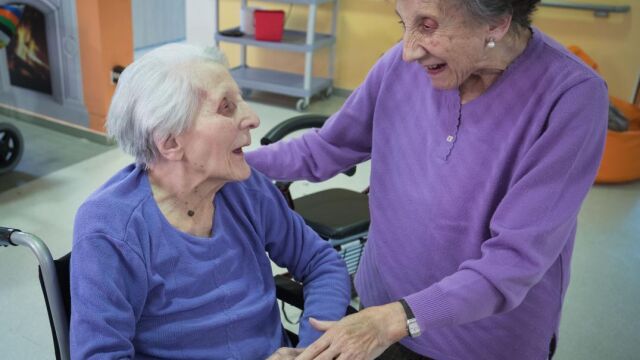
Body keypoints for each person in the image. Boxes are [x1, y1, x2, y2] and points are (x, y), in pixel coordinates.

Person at [245, 0, 608, 359]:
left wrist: (397, 319)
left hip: (482, 342)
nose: (407, 52)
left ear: (496, 23)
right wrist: (235, 162)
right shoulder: (401, 68)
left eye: (428, 25)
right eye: (404, 24)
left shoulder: (571, 96)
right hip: (380, 311)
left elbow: (513, 262)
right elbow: (326, 148)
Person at [69, 43, 351, 360]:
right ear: (171, 142)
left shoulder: (245, 188)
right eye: (226, 107)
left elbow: (322, 264)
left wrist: (312, 350)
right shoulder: (111, 228)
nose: (253, 119)